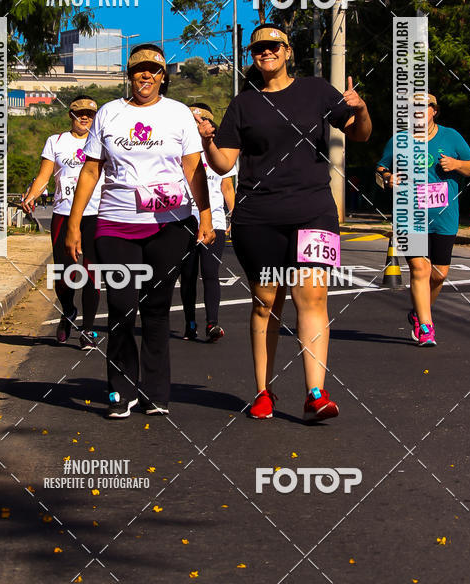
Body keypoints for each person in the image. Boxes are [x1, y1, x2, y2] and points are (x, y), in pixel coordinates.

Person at [195, 24, 371, 421]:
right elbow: (223, 163)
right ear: (253, 56)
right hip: (258, 219)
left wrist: (360, 109)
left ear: (288, 51)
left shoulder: (316, 90)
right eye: (259, 48)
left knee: (313, 298)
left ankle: (315, 393)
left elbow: (360, 135)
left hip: (314, 213)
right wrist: (207, 141)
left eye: (274, 45)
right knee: (266, 303)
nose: (267, 51)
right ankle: (263, 391)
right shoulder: (244, 104)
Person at [65, 44, 214, 419]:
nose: (146, 75)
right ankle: (120, 389)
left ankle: (155, 392)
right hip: (116, 224)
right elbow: (91, 170)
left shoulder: (178, 114)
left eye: (153, 70)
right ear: (129, 75)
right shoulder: (109, 114)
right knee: (121, 306)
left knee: (156, 308)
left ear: (163, 76)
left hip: (170, 225)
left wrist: (206, 215)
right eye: (138, 69)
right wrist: (74, 223)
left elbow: (193, 168)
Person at [376, 93, 470, 347]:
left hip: (444, 216)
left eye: (423, 106)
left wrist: (456, 164)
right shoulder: (399, 140)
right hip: (409, 215)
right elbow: (380, 169)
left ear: (434, 110)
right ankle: (425, 326)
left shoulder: (451, 137)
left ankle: (419, 312)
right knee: (420, 268)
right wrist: (388, 178)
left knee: (439, 274)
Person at [22, 96, 102, 349]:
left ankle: (88, 329)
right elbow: (44, 176)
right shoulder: (56, 141)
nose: (85, 117)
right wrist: (32, 195)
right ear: (71, 115)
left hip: (95, 213)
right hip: (64, 213)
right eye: (80, 113)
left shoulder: (103, 141)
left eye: (90, 114)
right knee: (65, 273)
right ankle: (68, 310)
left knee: (92, 272)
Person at [180, 102, 236, 342]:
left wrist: (234, 213)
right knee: (188, 274)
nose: (196, 124)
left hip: (215, 221)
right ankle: (190, 323)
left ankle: (212, 323)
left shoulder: (220, 150)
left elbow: (227, 186)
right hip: (185, 219)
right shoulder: (178, 148)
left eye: (200, 120)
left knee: (211, 272)